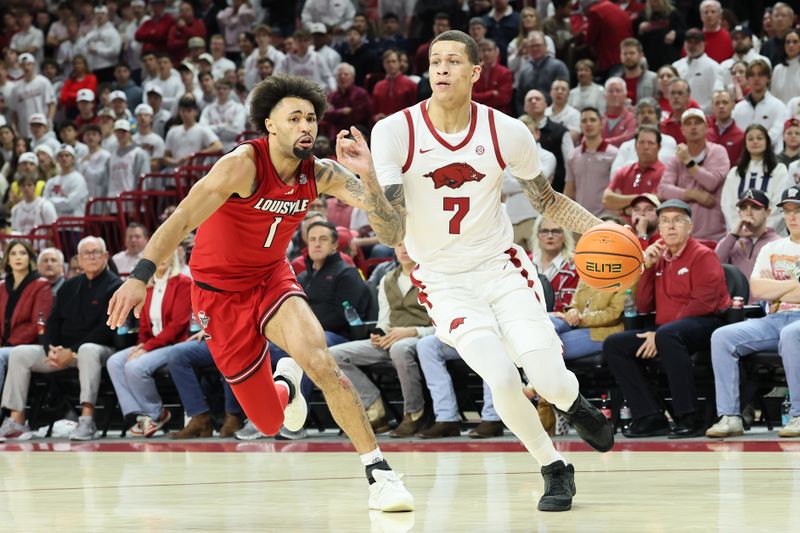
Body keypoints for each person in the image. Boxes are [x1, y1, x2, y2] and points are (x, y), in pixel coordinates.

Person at [107, 75, 413, 512]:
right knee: (269, 421)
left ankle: (378, 471)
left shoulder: (322, 172)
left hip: (272, 279)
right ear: (270, 125)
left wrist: (369, 177)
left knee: (323, 363)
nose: (306, 126)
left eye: (311, 118)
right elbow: (179, 222)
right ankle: (286, 384)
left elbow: (392, 228)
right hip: (217, 296)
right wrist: (138, 276)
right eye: (295, 118)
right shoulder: (240, 166)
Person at [363, 30, 614, 512]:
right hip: (443, 280)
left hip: (501, 268)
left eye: (452, 61)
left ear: (475, 72)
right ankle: (554, 467)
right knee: (500, 379)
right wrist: (372, 184)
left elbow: (545, 201)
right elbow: (392, 230)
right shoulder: (395, 131)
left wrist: (603, 229)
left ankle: (573, 402)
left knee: (547, 375)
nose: (440, 68)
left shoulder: (506, 131)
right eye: (434, 60)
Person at [603, 199, 730, 439]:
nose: (670, 227)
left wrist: (659, 334)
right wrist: (647, 268)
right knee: (615, 344)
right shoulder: (659, 258)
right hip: (666, 331)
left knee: (667, 335)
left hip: (706, 325)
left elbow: (704, 302)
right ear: (658, 228)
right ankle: (650, 416)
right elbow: (642, 305)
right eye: (664, 222)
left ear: (690, 227)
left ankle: (689, 416)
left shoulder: (703, 255)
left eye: (677, 221)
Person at [1, 236, 121, 441]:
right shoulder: (69, 286)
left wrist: (71, 351)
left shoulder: (116, 286)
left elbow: (106, 329)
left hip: (100, 350)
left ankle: (87, 420)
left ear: (106, 257)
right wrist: (50, 350)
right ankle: (17, 421)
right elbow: (52, 322)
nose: (91, 257)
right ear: (79, 259)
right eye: (86, 253)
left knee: (88, 350)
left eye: (96, 253)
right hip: (63, 352)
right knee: (20, 354)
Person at [707, 186, 800, 439]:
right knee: (722, 336)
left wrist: (777, 290)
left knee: (792, 334)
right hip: (773, 318)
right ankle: (730, 416)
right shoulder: (772, 249)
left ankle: (798, 415)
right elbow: (757, 289)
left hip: (796, 324)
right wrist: (794, 287)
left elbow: (770, 290)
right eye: (788, 211)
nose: (792, 216)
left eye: (798, 210)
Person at [329, 241, 433, 437]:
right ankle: (375, 408)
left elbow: (440, 326)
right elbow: (384, 319)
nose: (404, 249)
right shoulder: (387, 279)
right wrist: (379, 334)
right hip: (393, 339)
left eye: (408, 243)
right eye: (399, 244)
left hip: (422, 338)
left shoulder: (432, 278)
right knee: (334, 355)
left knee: (399, 349)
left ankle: (414, 413)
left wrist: (412, 331)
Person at [107, 251, 191, 438]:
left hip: (175, 345)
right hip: (152, 343)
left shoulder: (184, 284)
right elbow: (144, 325)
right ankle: (138, 417)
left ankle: (157, 414)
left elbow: (177, 326)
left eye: (165, 254)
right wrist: (141, 345)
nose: (161, 259)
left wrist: (146, 347)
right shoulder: (146, 288)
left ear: (173, 257)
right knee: (115, 362)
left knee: (135, 366)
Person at [659, 108, 730, 241]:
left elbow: (712, 182)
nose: (693, 127)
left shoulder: (718, 152)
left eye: (697, 122)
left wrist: (689, 162)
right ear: (682, 130)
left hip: (714, 235)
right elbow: (663, 189)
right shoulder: (676, 159)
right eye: (688, 123)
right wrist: (693, 194)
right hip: (683, 236)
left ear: (706, 127)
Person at [0, 241, 53, 402]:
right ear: (7, 259)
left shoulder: (41, 285)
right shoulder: (1, 286)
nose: (18, 257)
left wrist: (9, 342)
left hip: (28, 346)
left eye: (22, 253)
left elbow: (37, 324)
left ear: (30, 258)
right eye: (13, 254)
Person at [720, 124, 790, 234]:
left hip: (771, 236)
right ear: (745, 143)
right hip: (740, 236)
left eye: (759, 138)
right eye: (750, 138)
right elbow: (727, 205)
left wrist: (762, 231)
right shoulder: (735, 172)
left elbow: (779, 204)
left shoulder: (779, 170)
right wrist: (741, 230)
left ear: (767, 141)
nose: (755, 141)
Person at [715, 188, 780, 283]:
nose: (749, 213)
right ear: (739, 213)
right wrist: (733, 236)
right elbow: (713, 266)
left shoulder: (778, 243)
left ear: (767, 212)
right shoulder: (731, 241)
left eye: (755, 207)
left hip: (764, 297)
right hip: (736, 298)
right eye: (743, 208)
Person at [603, 125, 665, 220]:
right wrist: (641, 198)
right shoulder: (624, 171)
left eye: (651, 143)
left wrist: (622, 209)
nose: (646, 147)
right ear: (635, 146)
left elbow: (652, 203)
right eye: (641, 142)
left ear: (659, 147)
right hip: (624, 231)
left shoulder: (665, 173)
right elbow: (606, 200)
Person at [565, 107, 618, 217]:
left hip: (606, 219)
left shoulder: (614, 154)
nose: (588, 124)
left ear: (601, 123)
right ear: (580, 125)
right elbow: (569, 191)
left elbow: (617, 190)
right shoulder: (572, 156)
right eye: (584, 121)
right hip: (580, 220)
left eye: (593, 120)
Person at [706, 88, 744, 167]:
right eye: (717, 103)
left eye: (725, 102)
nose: (721, 106)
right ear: (712, 107)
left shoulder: (741, 136)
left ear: (733, 105)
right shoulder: (705, 135)